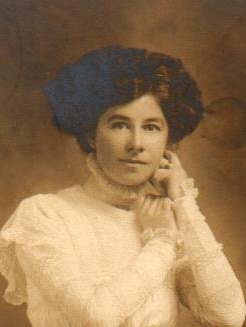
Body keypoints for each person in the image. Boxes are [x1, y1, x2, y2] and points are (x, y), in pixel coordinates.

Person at [0, 45, 245, 327]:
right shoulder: (44, 213)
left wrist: (183, 202)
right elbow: (97, 318)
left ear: (167, 141)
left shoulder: (164, 219)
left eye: (151, 127)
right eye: (119, 125)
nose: (136, 144)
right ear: (92, 135)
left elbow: (229, 315)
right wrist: (162, 242)